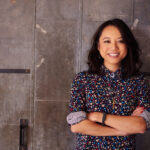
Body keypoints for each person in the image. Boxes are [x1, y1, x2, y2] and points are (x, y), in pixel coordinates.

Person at [67, 18, 150, 150]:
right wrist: (121, 131)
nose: (114, 47)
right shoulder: (82, 80)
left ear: (127, 45)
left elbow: (140, 126)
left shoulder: (138, 81)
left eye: (121, 41)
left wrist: (96, 116)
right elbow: (77, 126)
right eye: (107, 41)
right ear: (98, 46)